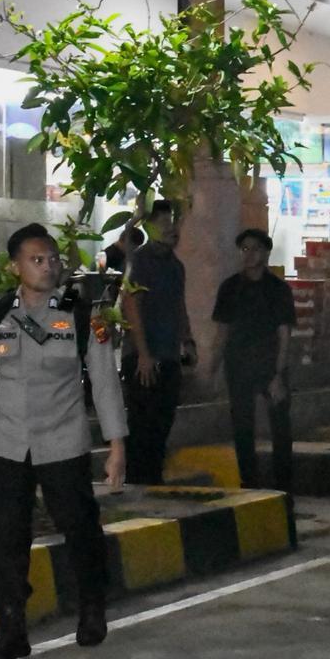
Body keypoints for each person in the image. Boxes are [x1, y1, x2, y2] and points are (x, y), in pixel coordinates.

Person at [0, 224, 127, 659]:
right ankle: (11, 630)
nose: (48, 267)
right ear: (15, 267)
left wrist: (116, 445)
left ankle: (92, 610)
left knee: (80, 529)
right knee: (6, 538)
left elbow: (104, 382)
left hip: (63, 442)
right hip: (7, 444)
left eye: (52, 259)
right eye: (37, 260)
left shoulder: (83, 317)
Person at [208, 229, 297, 491]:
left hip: (270, 364)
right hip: (238, 366)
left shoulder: (278, 290)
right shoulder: (230, 288)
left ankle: (283, 483)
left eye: (255, 249)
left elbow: (284, 334)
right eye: (245, 249)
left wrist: (278, 375)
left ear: (266, 253)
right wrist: (213, 369)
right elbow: (222, 332)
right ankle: (248, 481)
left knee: (280, 426)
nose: (249, 255)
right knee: (242, 426)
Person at [121, 200, 194, 485]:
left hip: (168, 355)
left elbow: (179, 305)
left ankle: (153, 480)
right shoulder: (140, 261)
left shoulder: (176, 266)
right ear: (150, 227)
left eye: (173, 222)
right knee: (142, 424)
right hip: (143, 357)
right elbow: (132, 306)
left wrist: (187, 340)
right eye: (163, 223)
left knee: (163, 421)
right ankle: (137, 482)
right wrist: (143, 354)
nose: (171, 228)